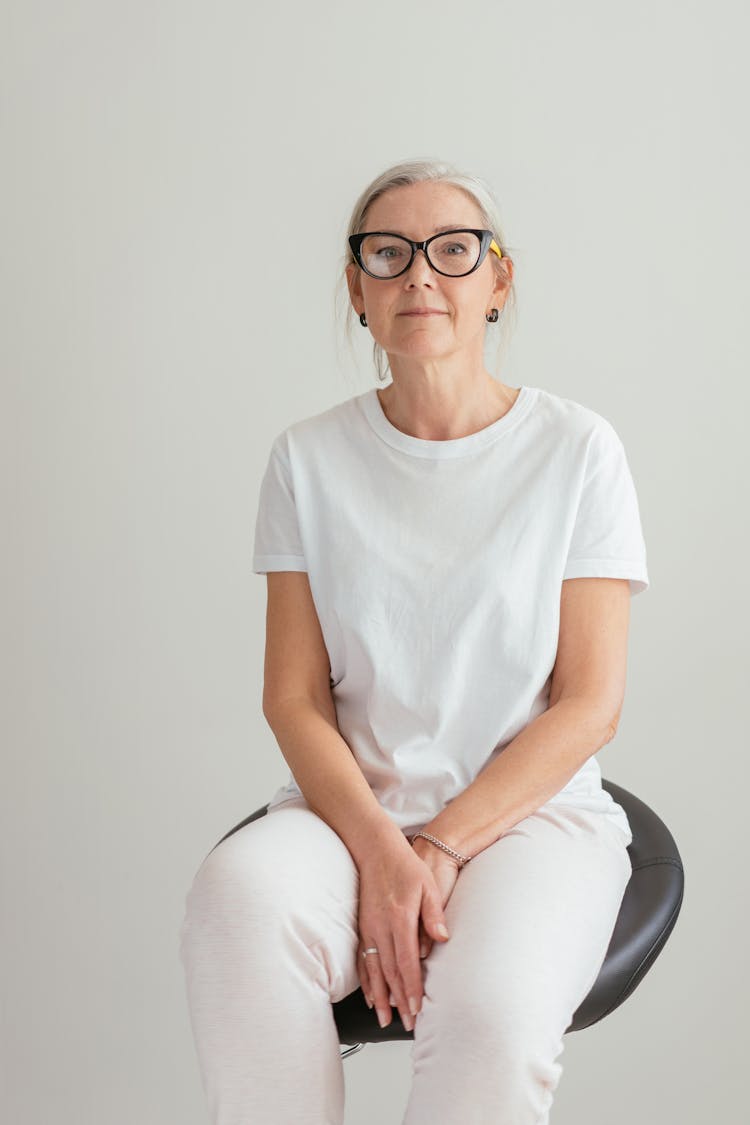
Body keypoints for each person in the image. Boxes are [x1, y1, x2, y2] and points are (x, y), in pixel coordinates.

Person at [179, 158, 650, 1125]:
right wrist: (384, 853)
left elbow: (589, 703)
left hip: (534, 820)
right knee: (237, 903)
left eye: (452, 251)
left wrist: (437, 844)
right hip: (354, 812)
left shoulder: (578, 450)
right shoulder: (306, 458)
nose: (419, 277)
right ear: (356, 288)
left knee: (490, 1014)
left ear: (497, 281)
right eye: (387, 254)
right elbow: (294, 698)